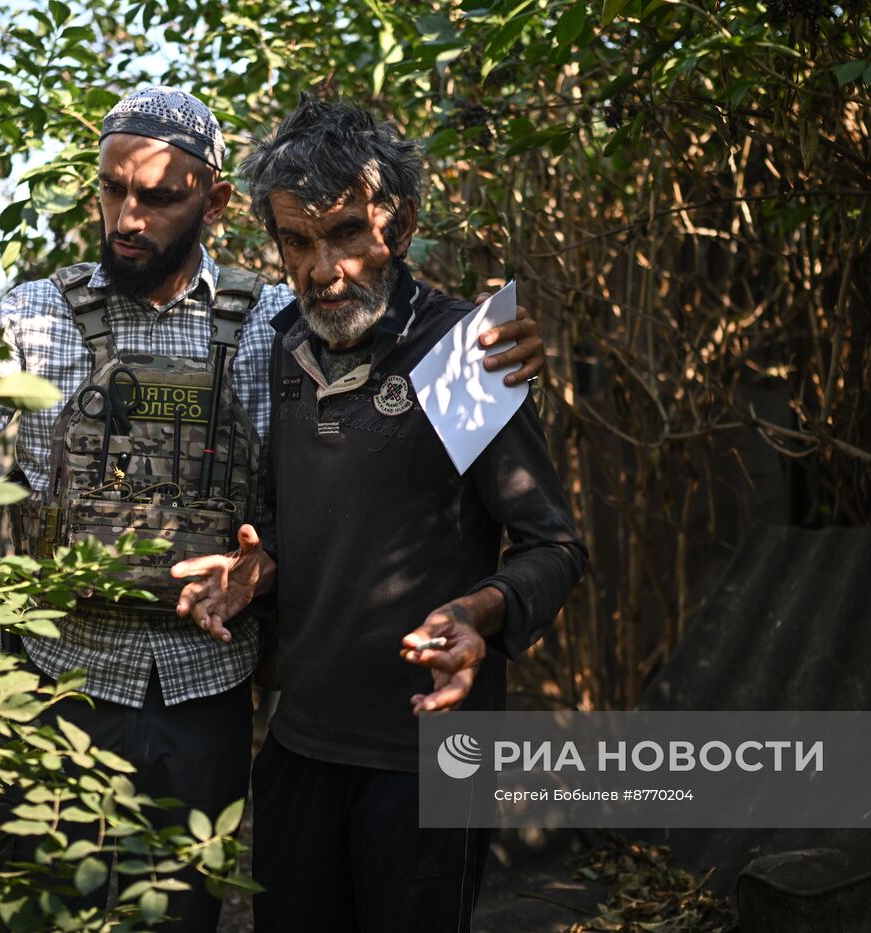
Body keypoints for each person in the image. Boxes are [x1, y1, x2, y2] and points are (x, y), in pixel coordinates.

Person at [0, 87, 547, 930]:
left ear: (216, 200)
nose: (129, 217)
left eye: (160, 196)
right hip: (57, 680)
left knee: (180, 913)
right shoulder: (36, 314)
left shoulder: (276, 320)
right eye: (113, 190)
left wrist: (498, 350)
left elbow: (378, 357)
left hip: (208, 691)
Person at [172, 96, 587, 933]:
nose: (324, 269)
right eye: (298, 241)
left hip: (429, 760)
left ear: (396, 226)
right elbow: (307, 521)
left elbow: (555, 545)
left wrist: (479, 611)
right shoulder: (283, 345)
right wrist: (260, 564)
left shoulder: (467, 355)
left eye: (347, 234)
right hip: (297, 752)